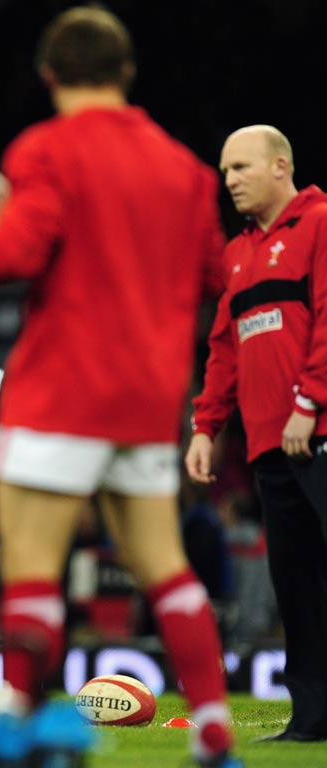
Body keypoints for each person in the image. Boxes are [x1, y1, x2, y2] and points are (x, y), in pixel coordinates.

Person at [0, 7, 237, 767]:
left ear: (50, 75)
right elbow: (217, 277)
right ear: (128, 75)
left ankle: (18, 728)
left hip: (61, 393)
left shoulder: (48, 148)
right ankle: (216, 733)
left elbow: (13, 252)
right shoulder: (187, 171)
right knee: (167, 568)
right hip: (147, 400)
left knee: (32, 568)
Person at [187, 125, 327, 743]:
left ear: (280, 165)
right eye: (224, 171)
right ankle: (313, 718)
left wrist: (311, 401)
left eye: (240, 167)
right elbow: (224, 349)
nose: (230, 180)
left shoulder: (321, 223)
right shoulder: (238, 255)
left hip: (315, 432)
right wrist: (205, 426)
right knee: (297, 586)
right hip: (270, 447)